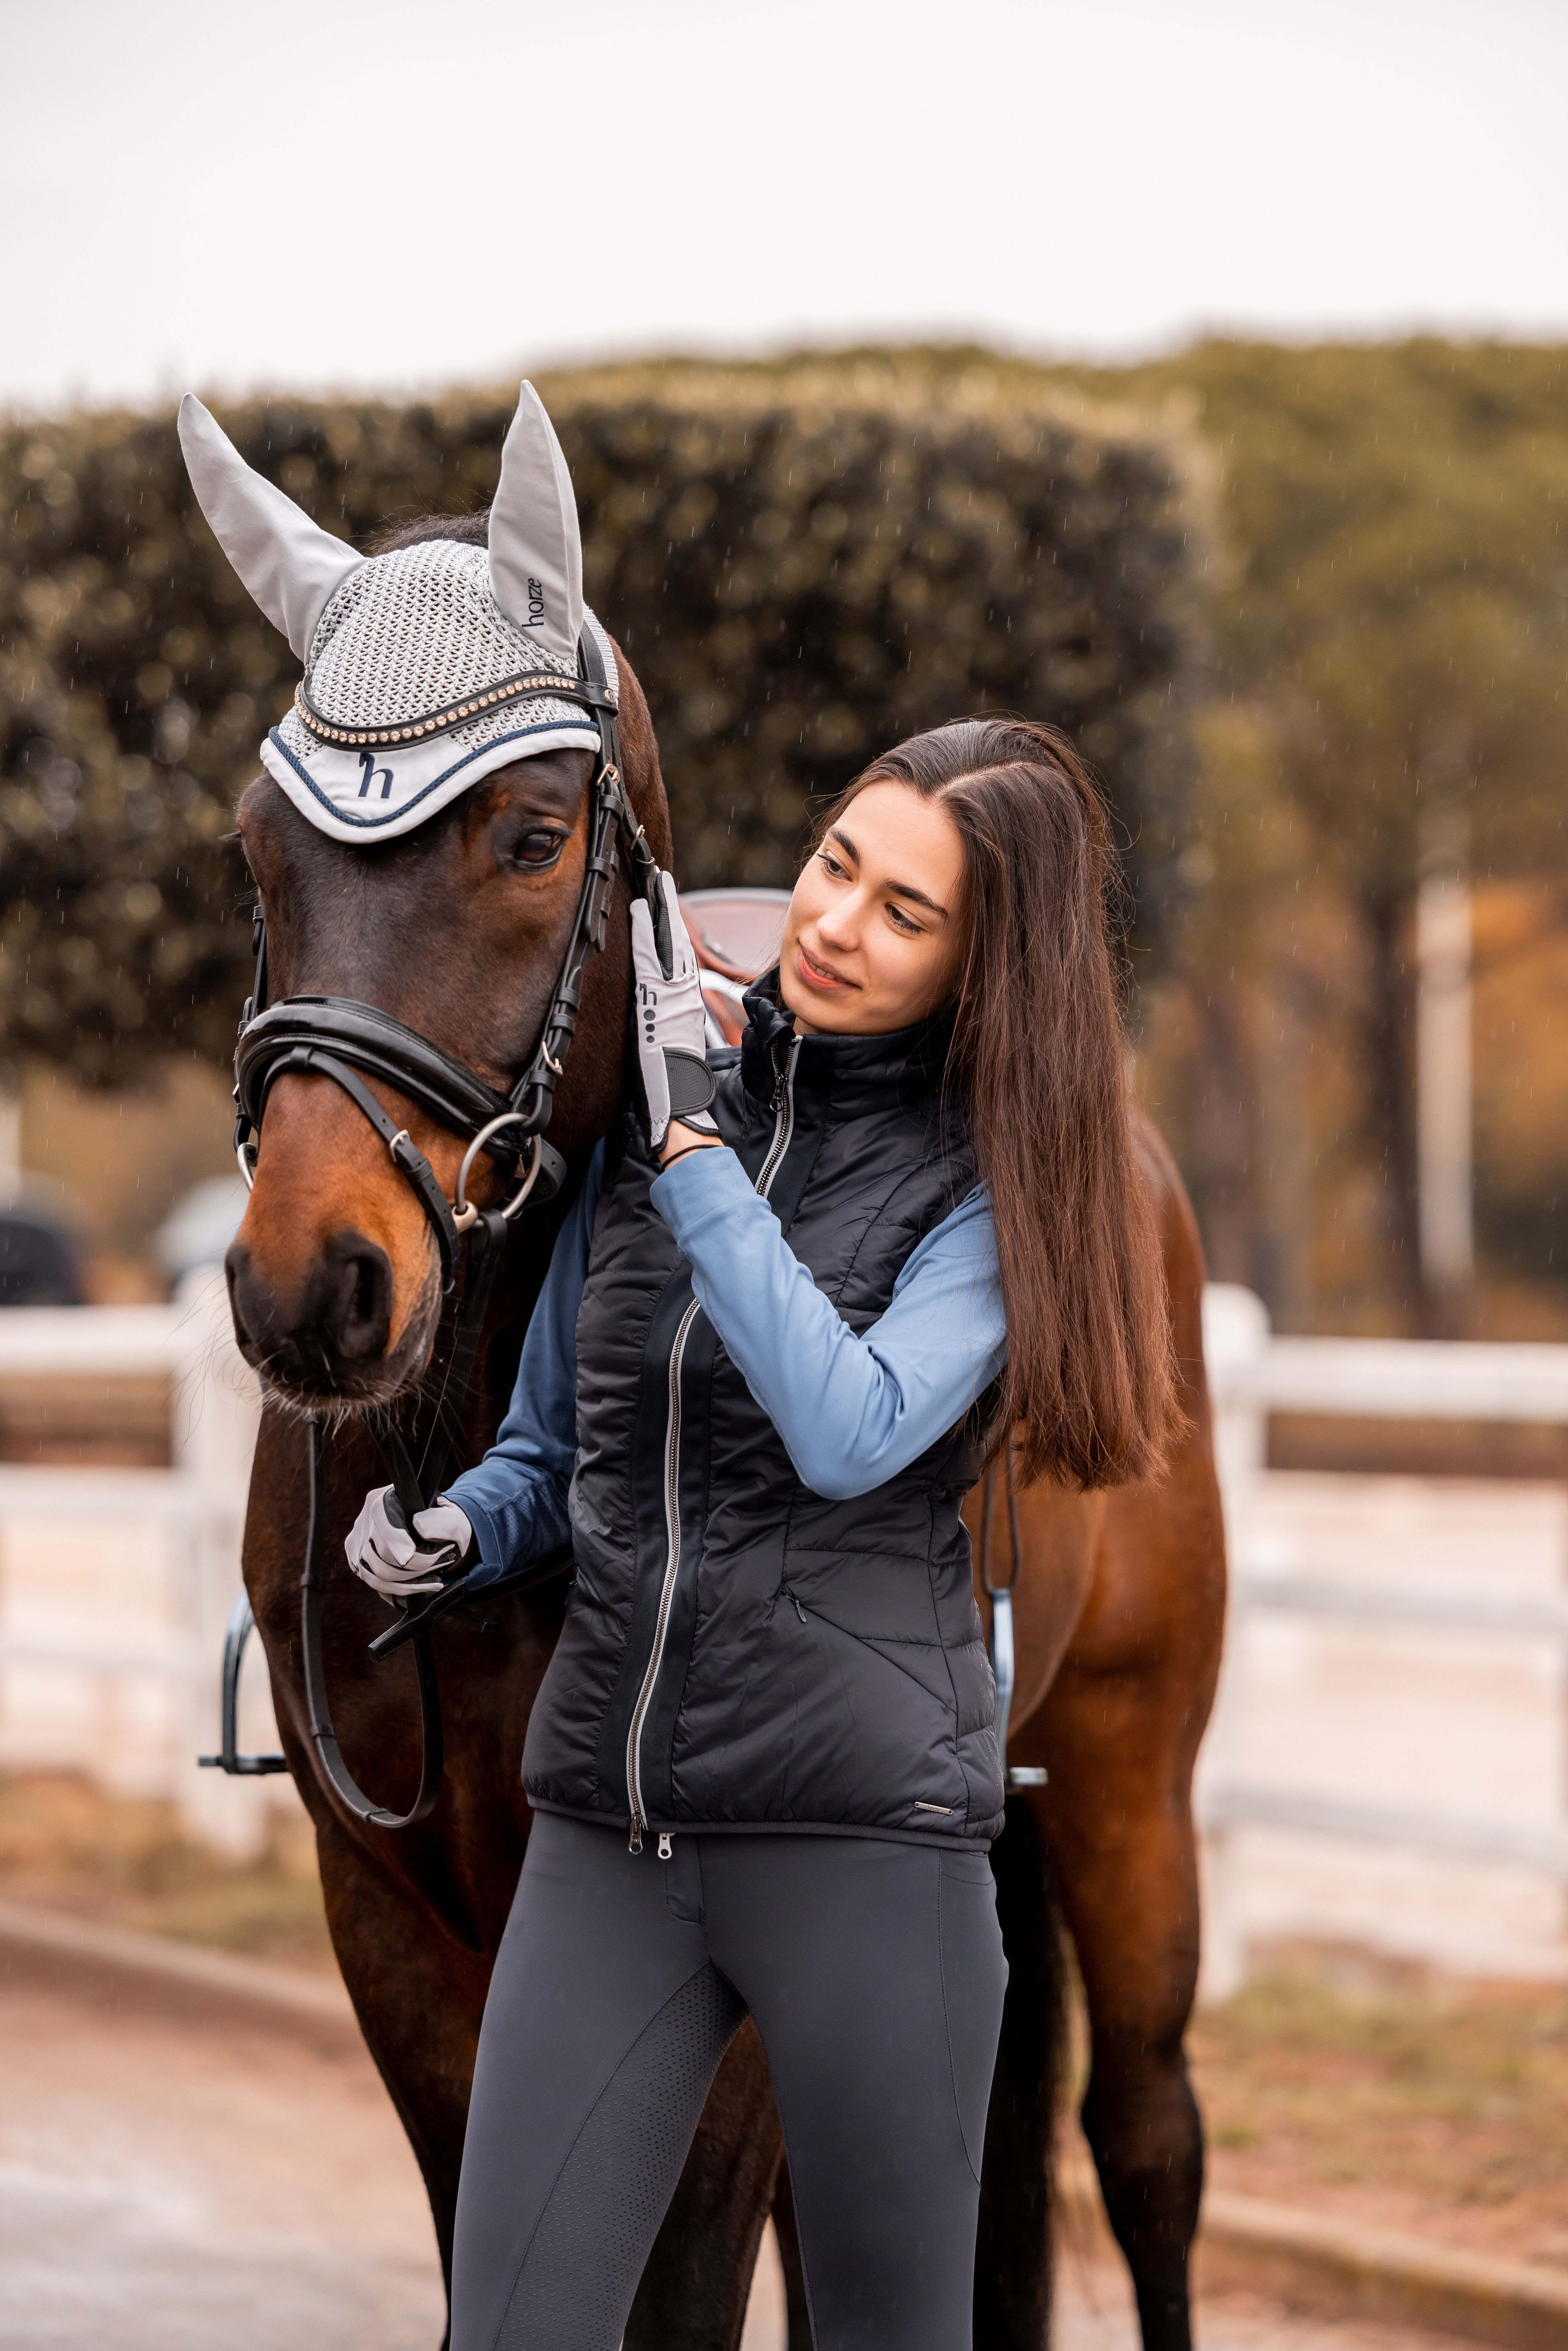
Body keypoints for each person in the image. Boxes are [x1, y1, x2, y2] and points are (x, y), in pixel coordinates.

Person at [346, 715, 1175, 2351]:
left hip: (863, 1852)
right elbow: (554, 1441)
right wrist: (459, 1530)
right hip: (611, 1831)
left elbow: (853, 1425)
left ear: (980, 970)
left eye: (901, 912)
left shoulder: (996, 1191)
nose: (830, 920)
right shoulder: (664, 1130)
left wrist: (694, 1160)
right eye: (834, 863)